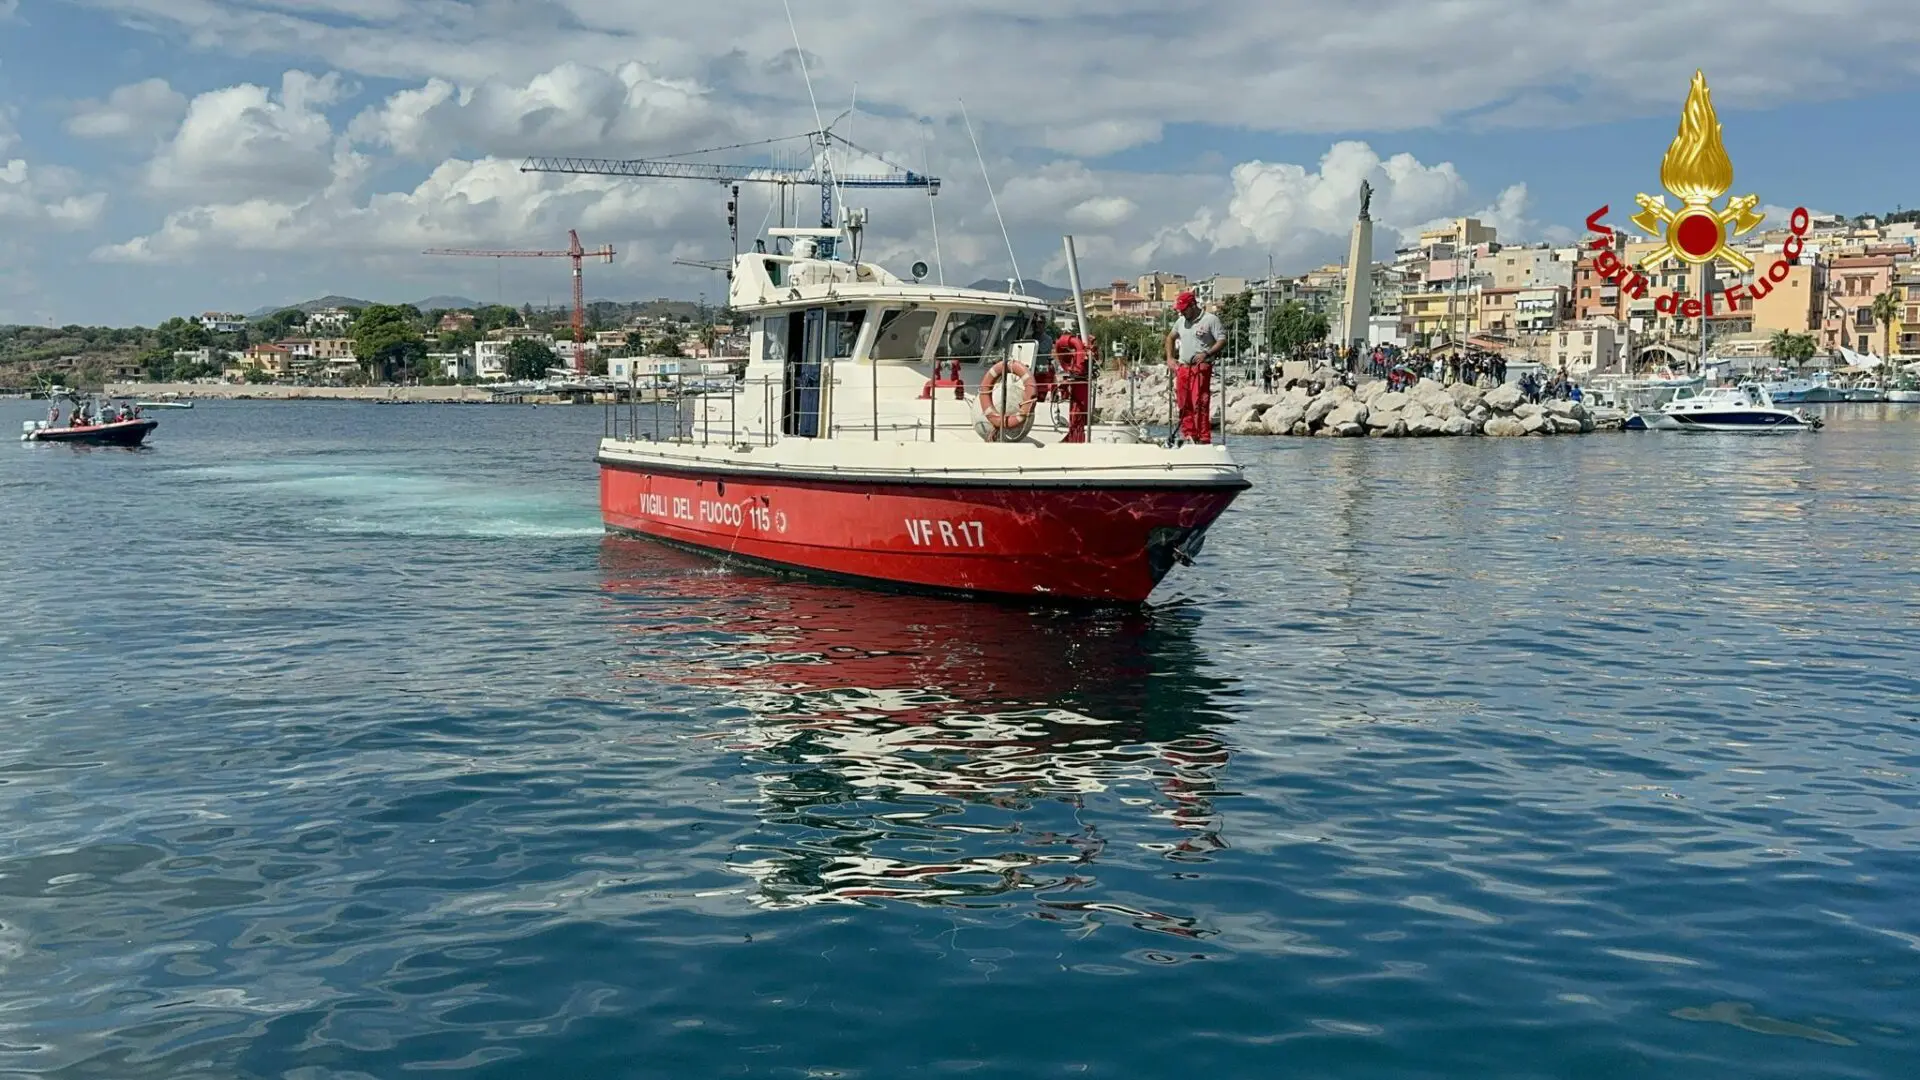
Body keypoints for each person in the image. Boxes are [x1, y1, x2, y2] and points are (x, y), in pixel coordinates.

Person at [1164, 291, 1224, 444]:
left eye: (1184, 309)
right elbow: (1170, 337)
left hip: (1201, 367)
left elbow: (1221, 340)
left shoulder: (1210, 320)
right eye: (1180, 310)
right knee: (1184, 403)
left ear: (1193, 305)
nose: (1182, 312)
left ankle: (1203, 437)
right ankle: (1189, 435)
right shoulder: (1180, 322)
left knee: (1200, 402)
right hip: (1183, 367)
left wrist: (1207, 353)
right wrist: (1170, 358)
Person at [1051, 330, 1093, 443]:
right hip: (1078, 385)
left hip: (1080, 384)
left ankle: (1077, 434)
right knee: (1077, 413)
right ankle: (1075, 434)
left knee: (1078, 413)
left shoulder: (1071, 356)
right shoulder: (1070, 357)